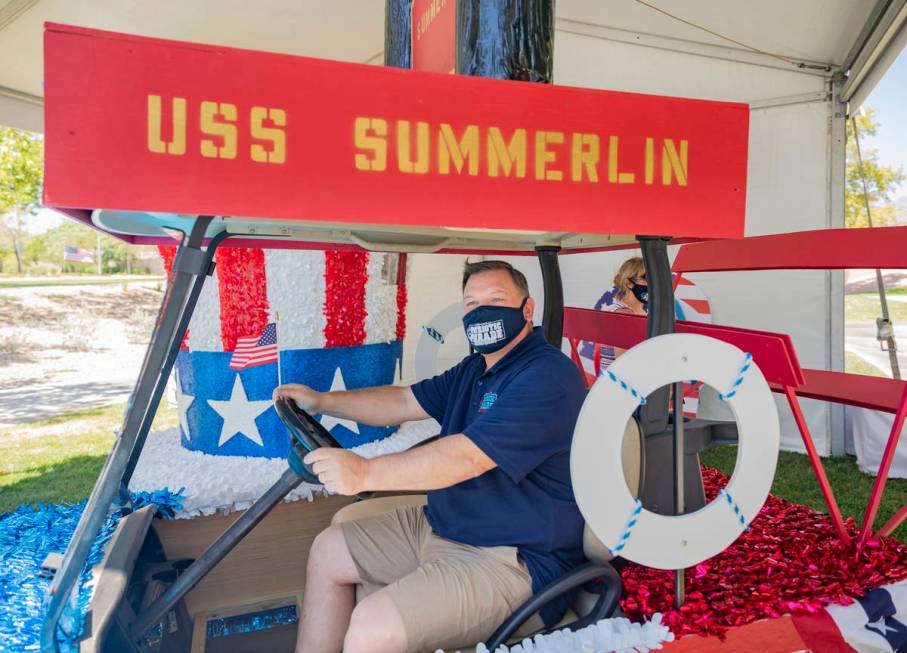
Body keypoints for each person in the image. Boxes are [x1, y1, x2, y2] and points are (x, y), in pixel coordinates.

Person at [275, 260, 587, 653]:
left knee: (372, 626)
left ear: (527, 309)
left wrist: (365, 472)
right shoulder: (477, 367)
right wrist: (323, 402)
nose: (482, 311)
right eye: (472, 303)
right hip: (444, 524)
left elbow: (467, 458)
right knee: (328, 551)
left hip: (512, 557)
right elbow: (404, 400)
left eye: (496, 299)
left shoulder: (546, 376)